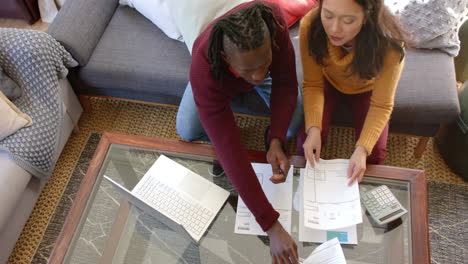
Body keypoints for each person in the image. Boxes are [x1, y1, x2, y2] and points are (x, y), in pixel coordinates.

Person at [176, 1, 303, 263]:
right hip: (216, 80)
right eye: (249, 71)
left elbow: (286, 84)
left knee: (293, 123)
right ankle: (224, 95)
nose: (258, 75)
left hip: (245, 65)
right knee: (187, 130)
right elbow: (229, 150)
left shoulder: (274, 23)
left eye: (264, 63)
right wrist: (271, 226)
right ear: (225, 58)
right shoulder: (205, 67)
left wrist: (276, 139)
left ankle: (271, 135)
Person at [299, 0, 408, 185]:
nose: (334, 29)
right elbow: (312, 84)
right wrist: (314, 129)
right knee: (306, 141)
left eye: (348, 20)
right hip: (328, 81)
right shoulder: (310, 24)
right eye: (327, 15)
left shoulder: (390, 43)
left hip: (366, 88)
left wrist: (362, 149)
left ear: (367, 16)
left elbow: (382, 105)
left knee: (374, 154)